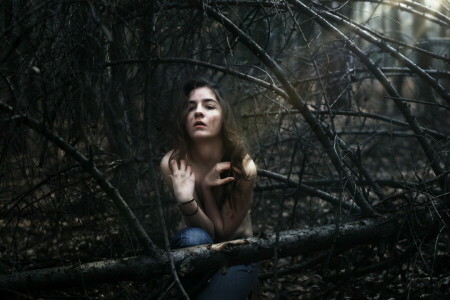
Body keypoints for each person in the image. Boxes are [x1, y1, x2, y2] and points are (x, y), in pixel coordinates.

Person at [160, 79, 258, 299]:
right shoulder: (174, 163)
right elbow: (207, 235)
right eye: (191, 107)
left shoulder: (243, 167)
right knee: (193, 237)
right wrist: (186, 200)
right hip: (195, 251)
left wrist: (205, 190)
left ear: (223, 116)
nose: (198, 112)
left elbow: (223, 235)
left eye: (209, 106)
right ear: (184, 119)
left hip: (238, 254)